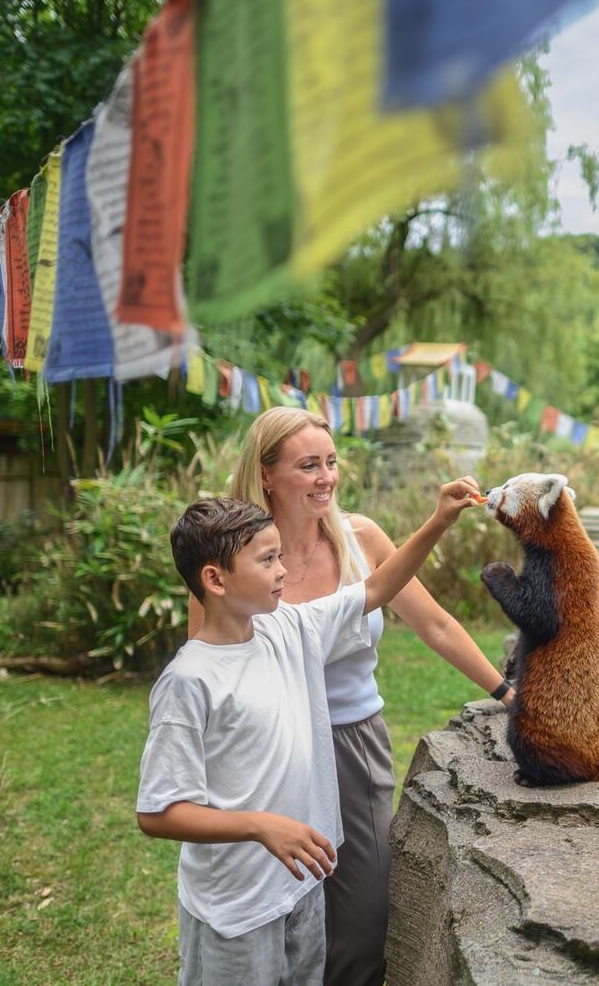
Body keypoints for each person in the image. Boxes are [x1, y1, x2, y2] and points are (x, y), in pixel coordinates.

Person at [188, 406, 514, 986]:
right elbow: (210, 668)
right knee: (279, 913)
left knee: (364, 920)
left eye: (332, 463)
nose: (326, 478)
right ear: (266, 474)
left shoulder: (360, 536)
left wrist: (505, 689)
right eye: (308, 465)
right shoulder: (231, 559)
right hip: (270, 752)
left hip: (354, 745)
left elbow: (434, 623)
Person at [139, 481, 480, 985]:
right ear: (215, 578)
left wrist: (439, 522)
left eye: (279, 556)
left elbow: (377, 589)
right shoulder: (190, 682)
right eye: (267, 561)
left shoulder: (288, 629)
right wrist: (261, 826)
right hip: (236, 908)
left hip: (300, 888)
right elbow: (158, 812)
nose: (283, 572)